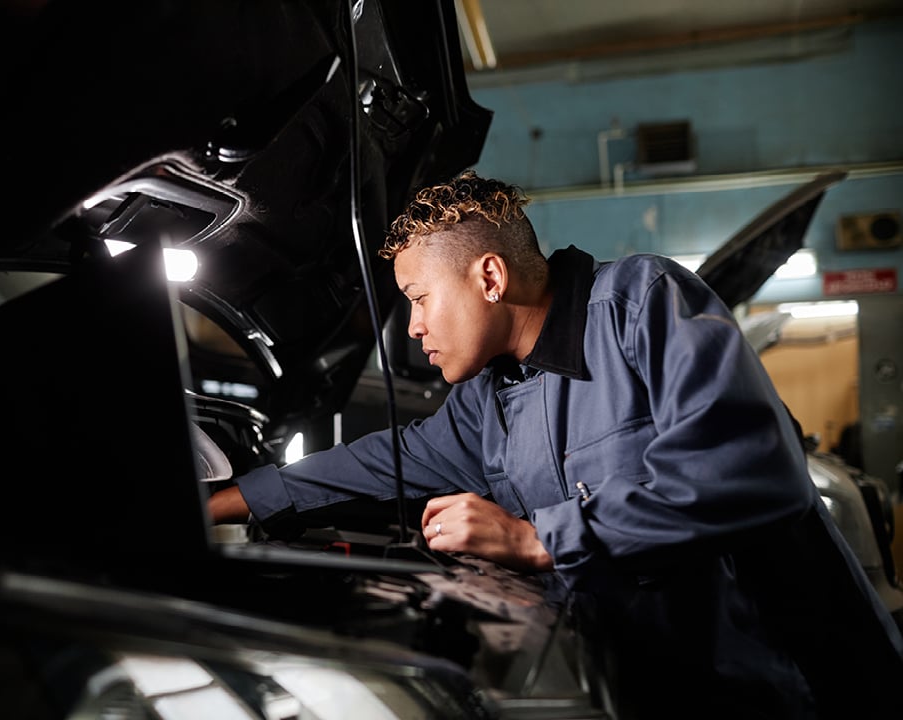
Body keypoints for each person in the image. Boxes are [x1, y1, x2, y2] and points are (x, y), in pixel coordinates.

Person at [209, 170, 903, 718]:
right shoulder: (489, 400)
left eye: (419, 298)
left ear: (489, 276)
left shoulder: (641, 305)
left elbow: (749, 473)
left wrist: (535, 539)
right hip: (649, 693)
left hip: (791, 690)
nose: (414, 327)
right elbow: (379, 460)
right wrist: (223, 501)